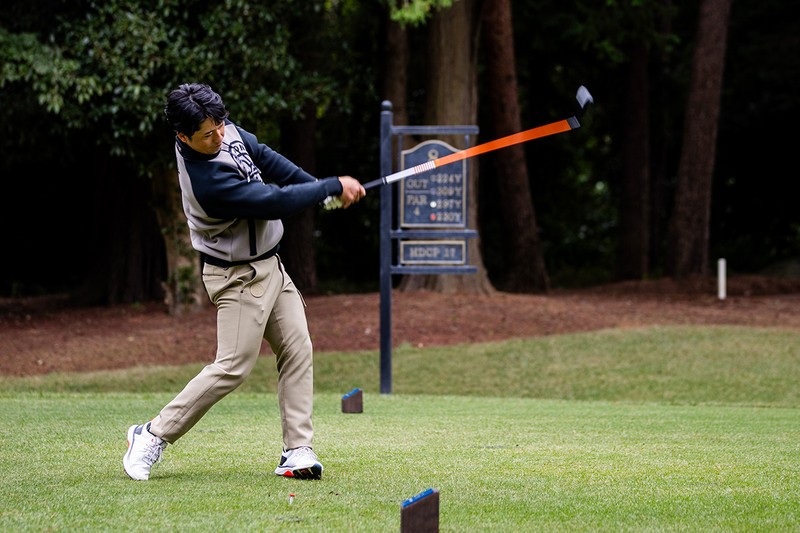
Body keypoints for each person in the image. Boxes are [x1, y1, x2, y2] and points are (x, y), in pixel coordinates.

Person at [122, 83, 365, 481]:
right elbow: (270, 200)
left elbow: (269, 159)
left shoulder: (220, 128)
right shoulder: (207, 183)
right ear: (183, 136)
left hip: (271, 265)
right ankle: (151, 435)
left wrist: (324, 193)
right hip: (236, 276)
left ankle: (297, 450)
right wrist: (328, 186)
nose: (219, 135)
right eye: (208, 134)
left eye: (220, 124)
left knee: (297, 347)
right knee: (232, 366)